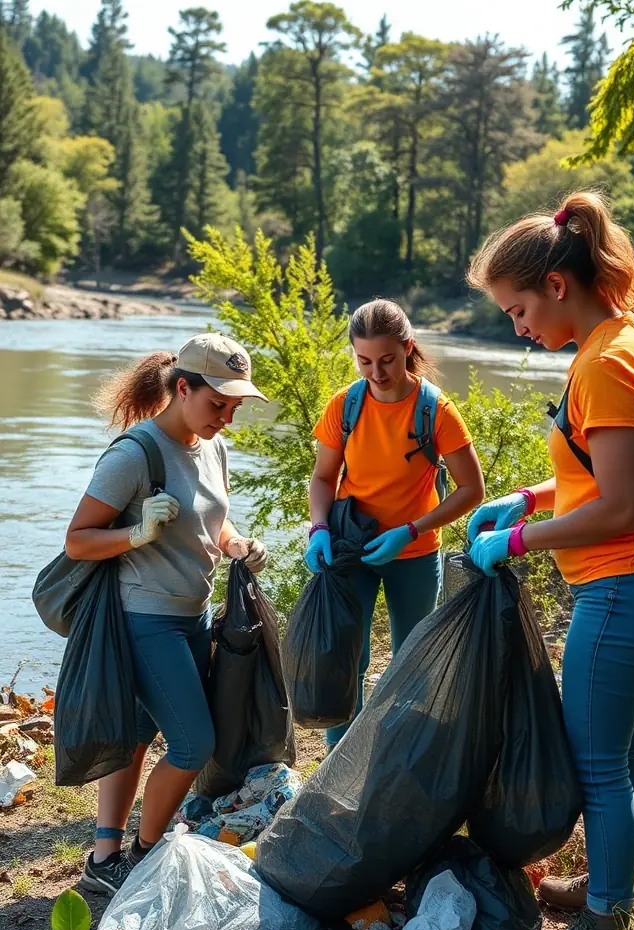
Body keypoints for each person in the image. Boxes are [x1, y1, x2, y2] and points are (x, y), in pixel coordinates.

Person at [465, 192, 634, 930]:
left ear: (557, 286)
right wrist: (529, 496)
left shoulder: (605, 364)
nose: (518, 327)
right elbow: (607, 478)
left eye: (518, 308)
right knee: (629, 752)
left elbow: (623, 508)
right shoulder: (628, 339)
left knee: (597, 761)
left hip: (627, 583)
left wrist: (519, 540)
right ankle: (629, 894)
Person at [66, 333, 270, 894]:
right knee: (192, 744)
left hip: (194, 615)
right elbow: (79, 542)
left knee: (137, 731)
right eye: (217, 404)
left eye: (234, 408)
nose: (226, 418)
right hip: (144, 619)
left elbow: (212, 523)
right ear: (183, 388)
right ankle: (145, 853)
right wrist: (135, 532)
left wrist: (236, 544)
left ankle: (104, 855)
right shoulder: (135, 454)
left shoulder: (214, 449)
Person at [307, 298, 485, 750]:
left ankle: (400, 764)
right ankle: (336, 765)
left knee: (413, 663)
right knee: (348, 658)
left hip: (414, 554)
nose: (376, 372)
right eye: (364, 360)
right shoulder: (344, 406)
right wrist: (319, 529)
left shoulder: (435, 411)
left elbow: (471, 491)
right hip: (352, 548)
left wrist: (412, 530)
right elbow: (324, 477)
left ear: (407, 348)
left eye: (386, 359)